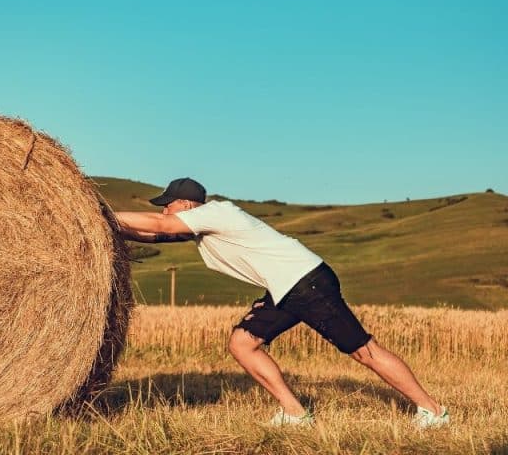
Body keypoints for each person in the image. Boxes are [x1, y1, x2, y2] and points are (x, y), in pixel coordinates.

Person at [114, 177, 450, 429]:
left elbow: (159, 225)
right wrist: (107, 227)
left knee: (363, 350)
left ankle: (432, 411)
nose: (163, 209)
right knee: (243, 343)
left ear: (185, 205)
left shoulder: (217, 213)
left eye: (167, 204)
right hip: (285, 287)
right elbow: (156, 234)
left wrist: (101, 211)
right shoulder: (203, 227)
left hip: (307, 281)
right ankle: (295, 413)